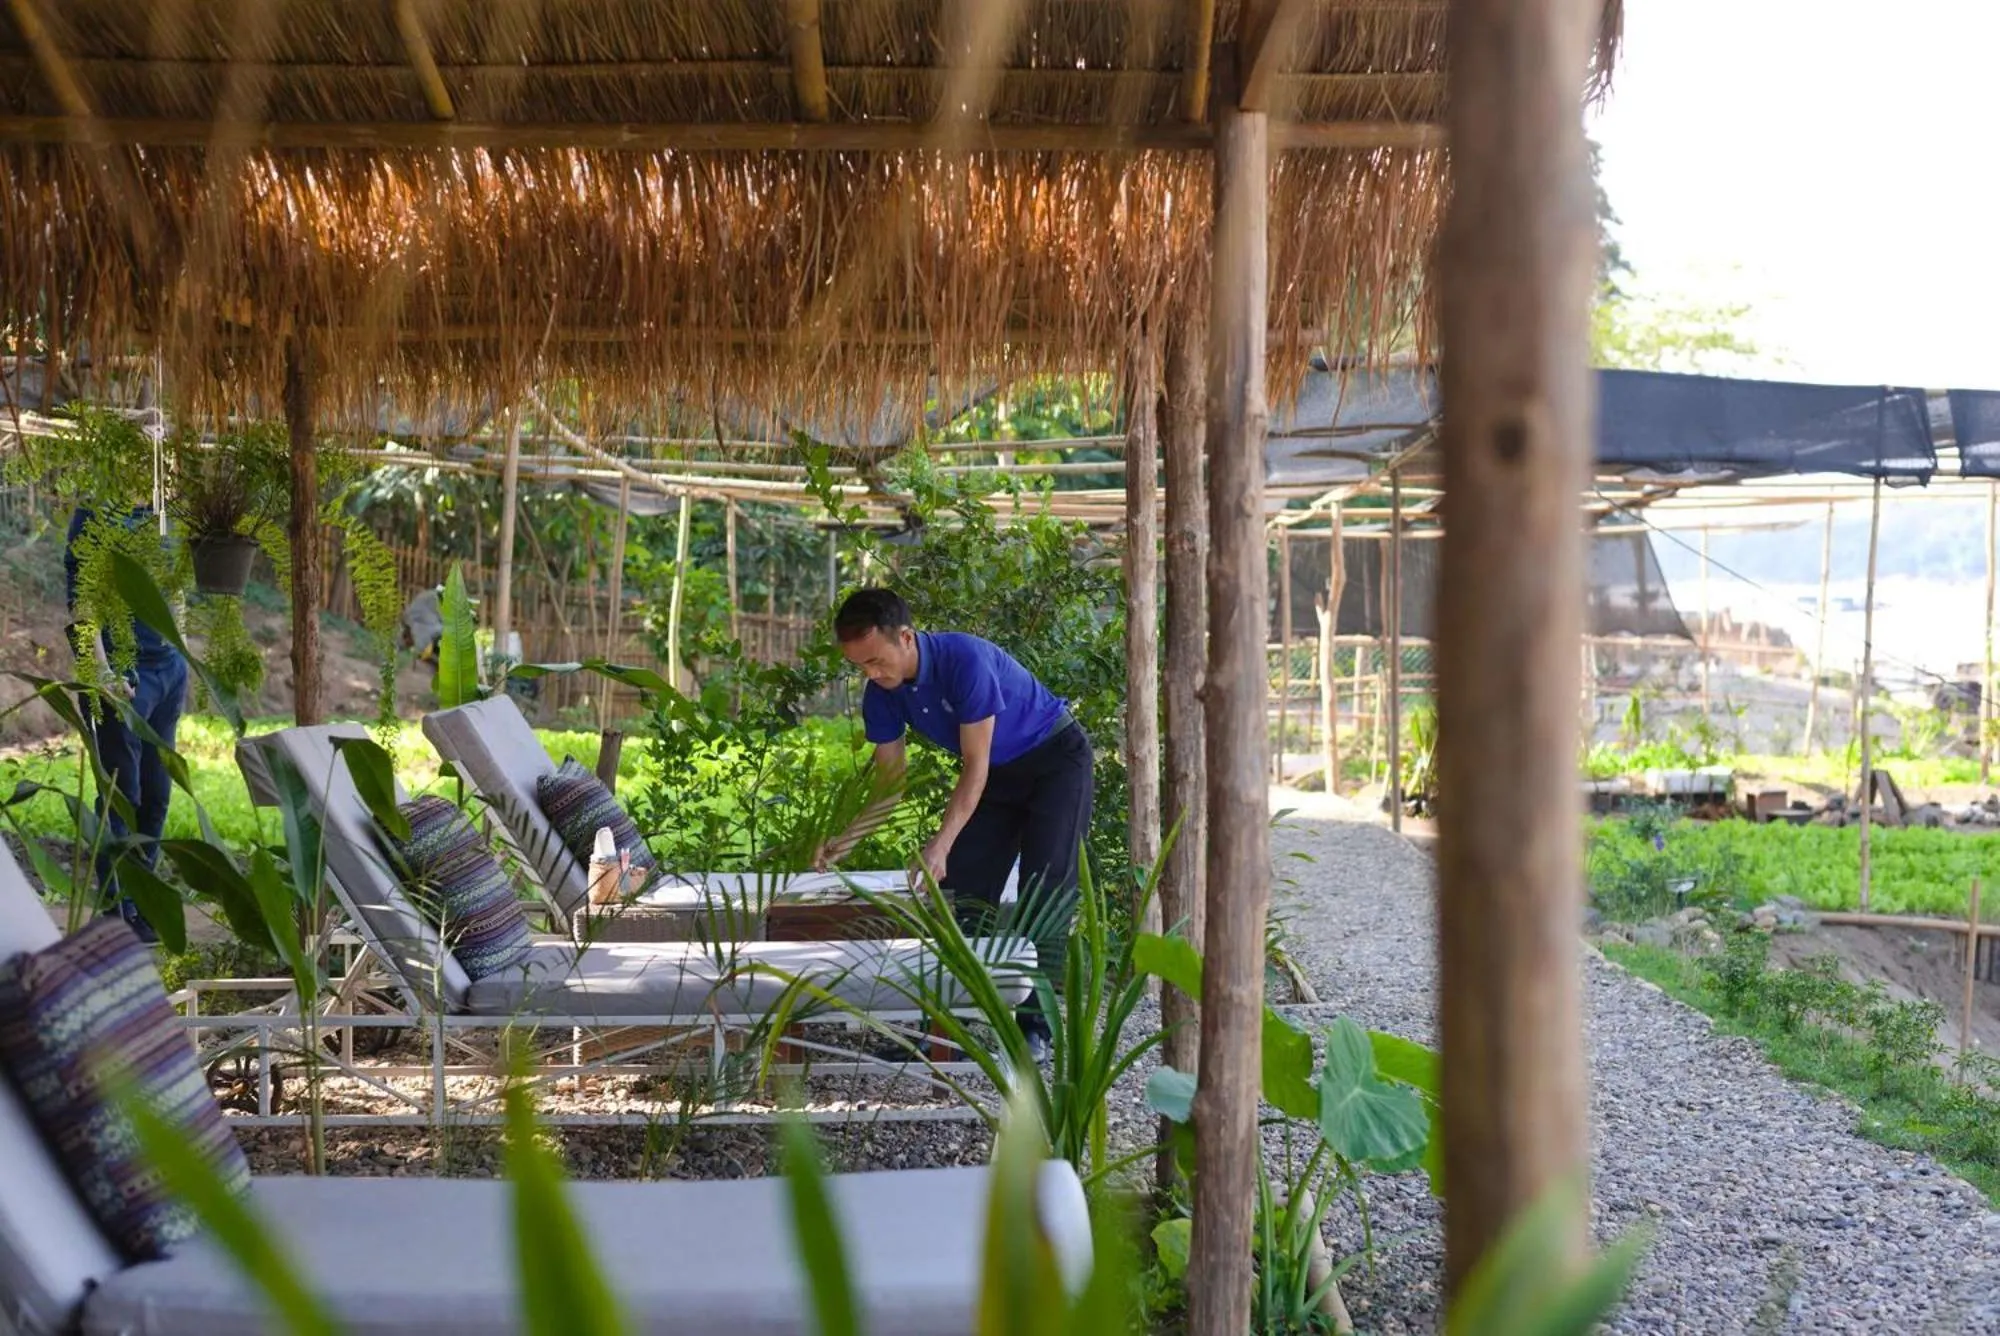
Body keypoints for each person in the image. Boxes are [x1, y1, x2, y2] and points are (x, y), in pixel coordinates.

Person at [817, 588, 1093, 1063]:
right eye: (860, 666)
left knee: (1043, 892)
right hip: (996, 777)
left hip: (1055, 763)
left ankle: (1035, 1029)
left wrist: (939, 845)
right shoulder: (881, 694)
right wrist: (847, 839)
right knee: (961, 893)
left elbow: (974, 765)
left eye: (877, 661)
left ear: (905, 637)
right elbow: (890, 786)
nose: (871, 674)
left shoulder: (964, 660)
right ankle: (950, 1032)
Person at [63, 505, 189, 945]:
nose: (156, 434)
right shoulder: (93, 517)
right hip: (121, 678)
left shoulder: (159, 514)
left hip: (168, 673)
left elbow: (174, 589)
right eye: (148, 430)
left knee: (156, 796)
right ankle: (118, 912)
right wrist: (101, 673)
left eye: (159, 429)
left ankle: (143, 902)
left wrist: (183, 651)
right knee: (122, 797)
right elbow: (82, 605)